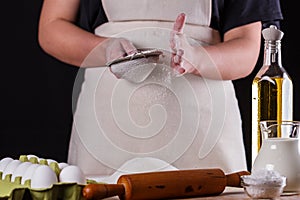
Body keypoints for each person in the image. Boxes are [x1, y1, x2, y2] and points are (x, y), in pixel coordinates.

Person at [38, 0, 283, 178]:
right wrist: (105, 49)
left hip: (203, 131)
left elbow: (247, 48)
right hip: (107, 127)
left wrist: (197, 58)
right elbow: (51, 28)